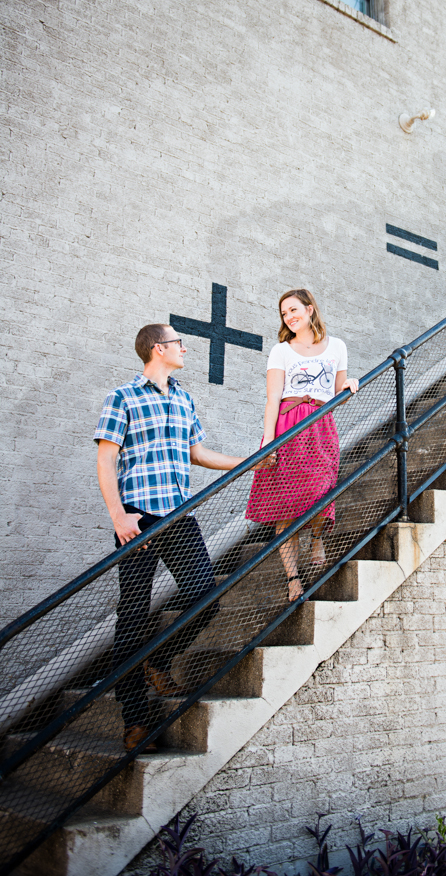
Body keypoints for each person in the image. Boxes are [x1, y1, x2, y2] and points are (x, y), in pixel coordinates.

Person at [95, 323, 252, 753]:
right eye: (178, 344)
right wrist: (118, 516)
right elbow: (106, 460)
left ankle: (159, 658)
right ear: (157, 349)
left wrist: (249, 462)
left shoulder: (184, 398)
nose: (184, 349)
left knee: (206, 596)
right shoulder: (122, 397)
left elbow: (197, 454)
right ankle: (136, 721)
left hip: (179, 516)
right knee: (132, 616)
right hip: (138, 521)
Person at [246, 289, 358, 603]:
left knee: (322, 491)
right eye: (284, 313)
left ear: (310, 310)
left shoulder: (336, 346)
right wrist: (269, 441)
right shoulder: (281, 350)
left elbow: (337, 392)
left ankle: (318, 537)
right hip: (286, 426)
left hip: (321, 426)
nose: (289, 317)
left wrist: (348, 385)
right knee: (285, 507)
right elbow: (272, 398)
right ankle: (293, 577)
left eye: (294, 310)